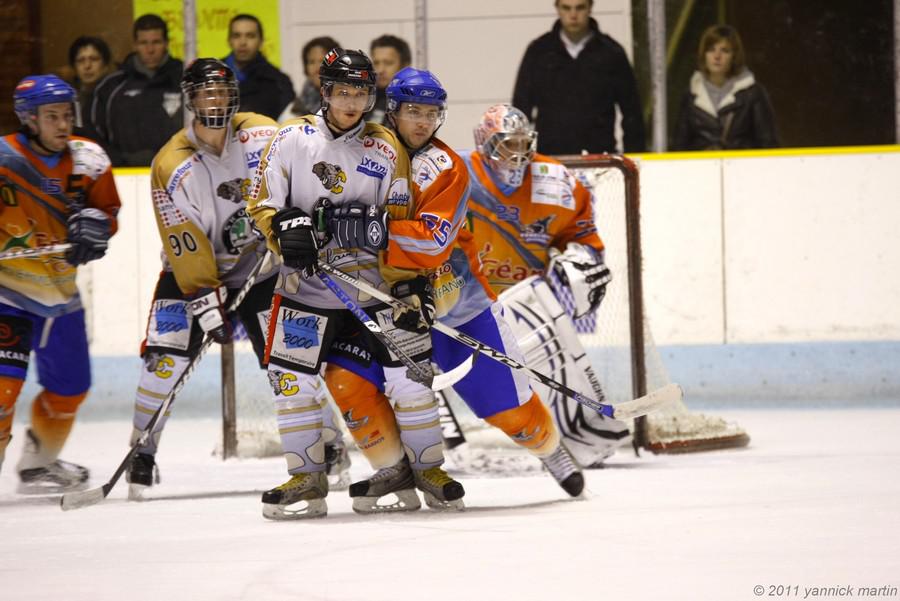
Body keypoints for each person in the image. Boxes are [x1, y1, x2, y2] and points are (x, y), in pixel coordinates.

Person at [324, 72, 590, 502]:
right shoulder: (358, 150)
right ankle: (394, 470)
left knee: (512, 414)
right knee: (345, 378)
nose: (423, 121)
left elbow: (431, 242)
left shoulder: (446, 167)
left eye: (431, 113)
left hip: (456, 306)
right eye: (414, 111)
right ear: (392, 110)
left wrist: (373, 229)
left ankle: (550, 449)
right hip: (376, 304)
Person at [248, 48, 462, 520]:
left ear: (372, 97)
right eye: (343, 91)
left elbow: (399, 219)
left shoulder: (385, 147)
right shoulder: (291, 139)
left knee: (412, 377)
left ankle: (429, 469)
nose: (351, 102)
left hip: (375, 286)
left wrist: (409, 284)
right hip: (305, 286)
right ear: (325, 92)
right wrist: (282, 228)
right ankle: (306, 476)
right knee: (291, 381)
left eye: (361, 93)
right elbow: (261, 203)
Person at [123, 59, 287, 498]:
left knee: (290, 359)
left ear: (234, 96)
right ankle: (141, 453)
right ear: (191, 100)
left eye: (221, 92)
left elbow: (293, 183)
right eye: (205, 93)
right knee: (164, 362)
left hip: (258, 269)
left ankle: (325, 446)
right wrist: (202, 296)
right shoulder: (170, 163)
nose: (215, 101)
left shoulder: (263, 133)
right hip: (190, 276)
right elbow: (182, 241)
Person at [463, 103, 631, 464]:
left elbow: (582, 234)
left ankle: (581, 434)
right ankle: (433, 441)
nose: (517, 153)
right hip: (465, 297)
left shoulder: (555, 180)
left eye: (523, 144)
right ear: (485, 143)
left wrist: (580, 259)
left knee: (554, 361)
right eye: (507, 144)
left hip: (525, 298)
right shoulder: (457, 173)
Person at [0, 75, 120, 493]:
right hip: (6, 296)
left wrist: (98, 227)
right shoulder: (4, 159)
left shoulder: (90, 159)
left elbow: (108, 212)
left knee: (70, 388)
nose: (63, 123)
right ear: (29, 119)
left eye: (67, 114)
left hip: (61, 298)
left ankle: (39, 465)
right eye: (52, 116)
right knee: (3, 390)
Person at [512, 0, 645, 154]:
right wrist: (518, 157)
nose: (573, 15)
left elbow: (632, 111)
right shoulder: (539, 52)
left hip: (599, 155)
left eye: (580, 8)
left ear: (590, 8)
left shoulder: (611, 53)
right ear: (557, 8)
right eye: (566, 8)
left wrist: (634, 157)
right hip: (549, 157)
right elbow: (521, 107)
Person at [91, 14, 184, 166]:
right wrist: (119, 161)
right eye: (143, 43)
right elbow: (95, 134)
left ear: (167, 43)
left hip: (177, 170)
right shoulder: (112, 86)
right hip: (124, 173)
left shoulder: (185, 80)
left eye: (156, 42)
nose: (150, 49)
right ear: (135, 45)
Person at [672, 24, 778, 151]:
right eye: (711, 50)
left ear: (734, 56)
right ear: (704, 55)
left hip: (740, 163)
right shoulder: (691, 96)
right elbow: (678, 147)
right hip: (703, 164)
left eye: (725, 50)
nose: (717, 56)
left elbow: (769, 144)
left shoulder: (753, 94)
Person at [223, 14, 295, 120]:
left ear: (261, 41)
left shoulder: (279, 82)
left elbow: (288, 124)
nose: (243, 42)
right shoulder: (213, 76)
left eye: (250, 36)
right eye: (237, 36)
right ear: (229, 40)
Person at [279, 36, 341, 122]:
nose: (317, 67)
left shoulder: (351, 105)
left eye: (323, 61)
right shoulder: (294, 110)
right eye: (311, 62)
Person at [67, 36, 113, 140]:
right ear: (74, 67)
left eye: (94, 59)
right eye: (80, 60)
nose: (87, 66)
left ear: (105, 64)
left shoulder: (116, 96)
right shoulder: (68, 99)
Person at [366, 34, 411, 124]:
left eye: (388, 63)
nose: (380, 70)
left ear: (405, 66)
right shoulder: (364, 100)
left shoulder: (416, 104)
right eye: (376, 63)